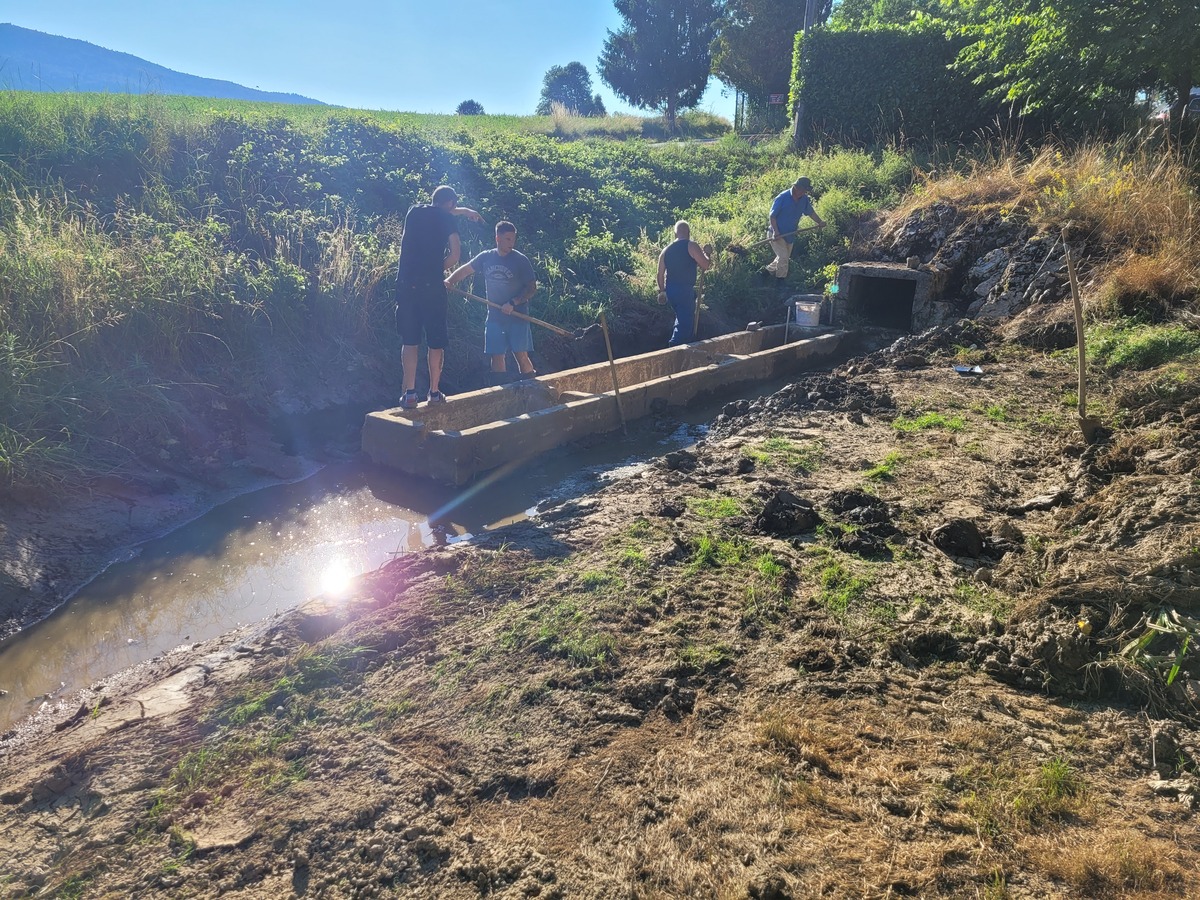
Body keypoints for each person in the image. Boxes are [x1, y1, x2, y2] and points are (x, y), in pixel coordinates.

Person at [395, 185, 483, 409]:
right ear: (451, 203)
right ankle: (434, 393)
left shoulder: (414, 211)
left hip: (406, 285)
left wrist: (464, 211)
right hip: (431, 287)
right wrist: (435, 272)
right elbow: (455, 255)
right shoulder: (447, 219)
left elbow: (439, 210)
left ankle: (410, 394)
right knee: (435, 342)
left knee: (410, 340)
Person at [445, 221, 538, 379]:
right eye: (508, 239)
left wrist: (513, 303)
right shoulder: (486, 257)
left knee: (521, 355)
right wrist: (449, 281)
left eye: (513, 239)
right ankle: (500, 389)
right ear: (497, 238)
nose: (511, 243)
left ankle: (532, 386)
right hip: (494, 316)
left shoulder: (520, 260)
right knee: (496, 355)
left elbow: (531, 288)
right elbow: (466, 270)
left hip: (517, 316)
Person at [656, 220, 712, 346]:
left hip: (671, 291)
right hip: (684, 290)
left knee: (682, 319)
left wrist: (662, 291)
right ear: (688, 233)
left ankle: (687, 345)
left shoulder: (666, 250)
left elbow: (659, 274)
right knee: (685, 324)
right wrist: (707, 254)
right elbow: (705, 265)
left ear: (675, 234)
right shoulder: (691, 245)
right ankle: (675, 349)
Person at [766, 176, 826, 283]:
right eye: (802, 190)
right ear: (795, 187)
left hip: (790, 235)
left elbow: (811, 212)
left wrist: (819, 222)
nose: (803, 193)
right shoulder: (782, 197)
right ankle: (780, 282)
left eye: (805, 191)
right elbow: (772, 216)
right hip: (777, 234)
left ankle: (766, 272)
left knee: (783, 258)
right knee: (783, 257)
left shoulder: (804, 199)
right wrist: (776, 231)